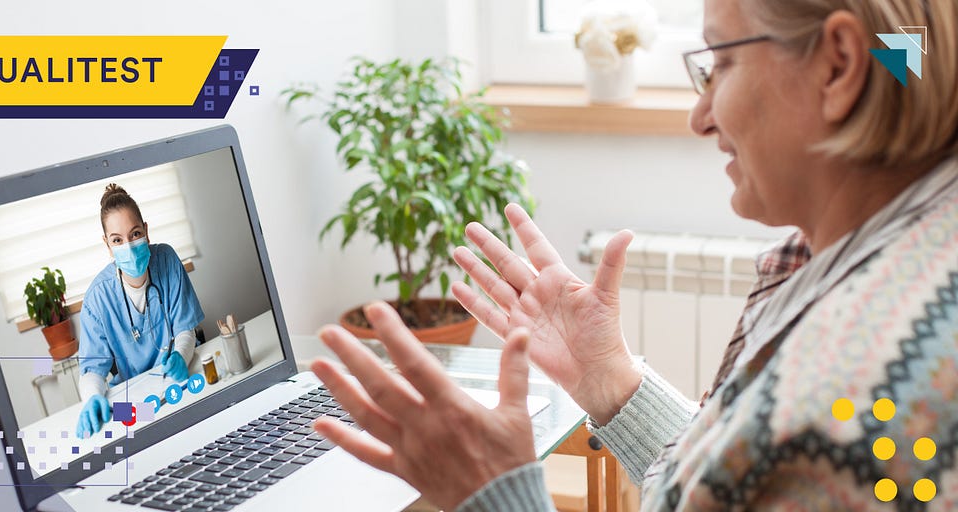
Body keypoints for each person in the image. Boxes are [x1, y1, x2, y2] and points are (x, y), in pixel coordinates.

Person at [310, 0, 958, 510]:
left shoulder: (860, 389)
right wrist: (609, 382)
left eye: (720, 64)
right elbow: (738, 485)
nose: (699, 117)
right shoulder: (878, 244)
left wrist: (496, 494)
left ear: (839, 65)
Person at [75, 184, 205, 438]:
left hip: (175, 383)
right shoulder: (97, 299)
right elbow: (93, 369)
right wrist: (91, 397)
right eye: (117, 240)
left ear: (146, 230)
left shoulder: (166, 260)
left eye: (135, 234)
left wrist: (181, 355)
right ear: (107, 245)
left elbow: (184, 329)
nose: (128, 246)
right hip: (135, 400)